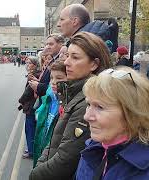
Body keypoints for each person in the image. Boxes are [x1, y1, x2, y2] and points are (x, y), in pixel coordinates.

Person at [29, 32, 110, 180]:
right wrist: (40, 165)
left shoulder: (89, 100)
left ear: (94, 64)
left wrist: (34, 175)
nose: (66, 62)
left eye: (75, 57)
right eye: (68, 56)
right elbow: (54, 142)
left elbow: (66, 160)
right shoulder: (74, 92)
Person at [75, 67, 149, 180]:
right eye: (89, 104)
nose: (87, 116)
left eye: (100, 107)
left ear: (133, 114)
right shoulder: (94, 149)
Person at [33, 60, 67, 167]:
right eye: (52, 78)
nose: (53, 81)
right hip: (43, 149)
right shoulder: (49, 98)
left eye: (59, 78)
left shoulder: (66, 103)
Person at [18, 56, 42, 159]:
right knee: (33, 129)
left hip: (31, 106)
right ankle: (32, 149)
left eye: (30, 63)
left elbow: (28, 91)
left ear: (35, 65)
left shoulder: (33, 75)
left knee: (30, 129)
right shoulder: (36, 74)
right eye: (27, 63)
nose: (27, 65)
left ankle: (31, 151)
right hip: (33, 105)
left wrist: (21, 101)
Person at [28, 34, 65, 98]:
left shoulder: (62, 60)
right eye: (46, 44)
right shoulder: (53, 59)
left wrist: (39, 86)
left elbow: (57, 87)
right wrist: (37, 81)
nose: (47, 47)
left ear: (60, 44)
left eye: (51, 44)